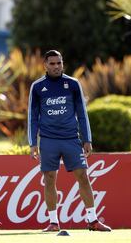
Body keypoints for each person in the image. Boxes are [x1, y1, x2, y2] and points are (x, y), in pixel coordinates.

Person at [28, 50, 111, 232]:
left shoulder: (72, 84)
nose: (56, 66)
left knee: (83, 177)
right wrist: (33, 143)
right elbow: (33, 117)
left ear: (62, 63)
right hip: (48, 141)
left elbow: (82, 113)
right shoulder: (37, 87)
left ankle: (93, 220)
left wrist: (87, 139)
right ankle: (53, 222)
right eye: (52, 63)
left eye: (59, 63)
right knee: (49, 179)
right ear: (45, 65)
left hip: (71, 139)